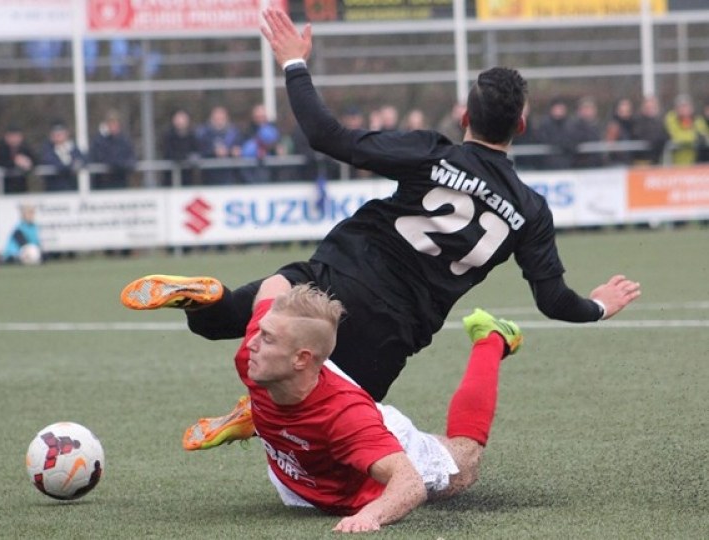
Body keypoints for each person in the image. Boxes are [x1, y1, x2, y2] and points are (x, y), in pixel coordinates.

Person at [121, 8, 641, 445]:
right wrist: (598, 307)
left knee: (222, 319)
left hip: (339, 271)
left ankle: (204, 298)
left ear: (464, 116)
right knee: (327, 424)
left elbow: (328, 136)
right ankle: (257, 416)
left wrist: (294, 63)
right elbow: (554, 301)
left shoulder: (429, 152)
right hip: (395, 325)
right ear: (521, 126)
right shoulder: (530, 210)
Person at [181, 276, 524, 532]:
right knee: (465, 460)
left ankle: (490, 338)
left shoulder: (346, 417)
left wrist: (371, 515)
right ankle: (261, 417)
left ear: (301, 358)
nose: (252, 343)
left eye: (267, 338)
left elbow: (409, 483)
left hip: (346, 457)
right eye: (261, 331)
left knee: (464, 460)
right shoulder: (255, 357)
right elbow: (275, 282)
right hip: (301, 471)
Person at [88, 110, 137, 190]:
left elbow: (132, 158)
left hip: (121, 182)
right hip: (103, 184)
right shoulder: (99, 141)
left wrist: (126, 164)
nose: (113, 126)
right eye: (111, 123)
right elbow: (100, 158)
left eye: (115, 123)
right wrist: (117, 163)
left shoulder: (124, 141)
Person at [39, 121, 86, 192]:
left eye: (61, 134)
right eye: (56, 134)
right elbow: (52, 163)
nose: (58, 136)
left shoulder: (73, 148)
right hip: (54, 189)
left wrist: (78, 164)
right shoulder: (47, 149)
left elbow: (83, 159)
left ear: (67, 134)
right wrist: (70, 167)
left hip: (73, 188)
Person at [0, 124, 36, 194]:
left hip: (21, 187)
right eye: (12, 136)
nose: (14, 139)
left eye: (17, 136)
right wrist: (14, 162)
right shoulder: (0, 148)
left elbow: (35, 160)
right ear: (6, 137)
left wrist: (28, 163)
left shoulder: (25, 148)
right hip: (4, 188)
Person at [161, 108, 200, 186]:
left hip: (188, 177)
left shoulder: (192, 135)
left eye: (183, 118)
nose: (181, 121)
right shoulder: (168, 136)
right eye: (178, 118)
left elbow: (197, 151)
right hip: (170, 177)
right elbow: (168, 153)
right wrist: (184, 157)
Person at [631, 95, 669, 165]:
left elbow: (666, 136)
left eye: (652, 107)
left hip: (656, 160)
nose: (650, 110)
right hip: (641, 160)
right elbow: (639, 135)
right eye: (647, 107)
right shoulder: (637, 121)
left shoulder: (660, 122)